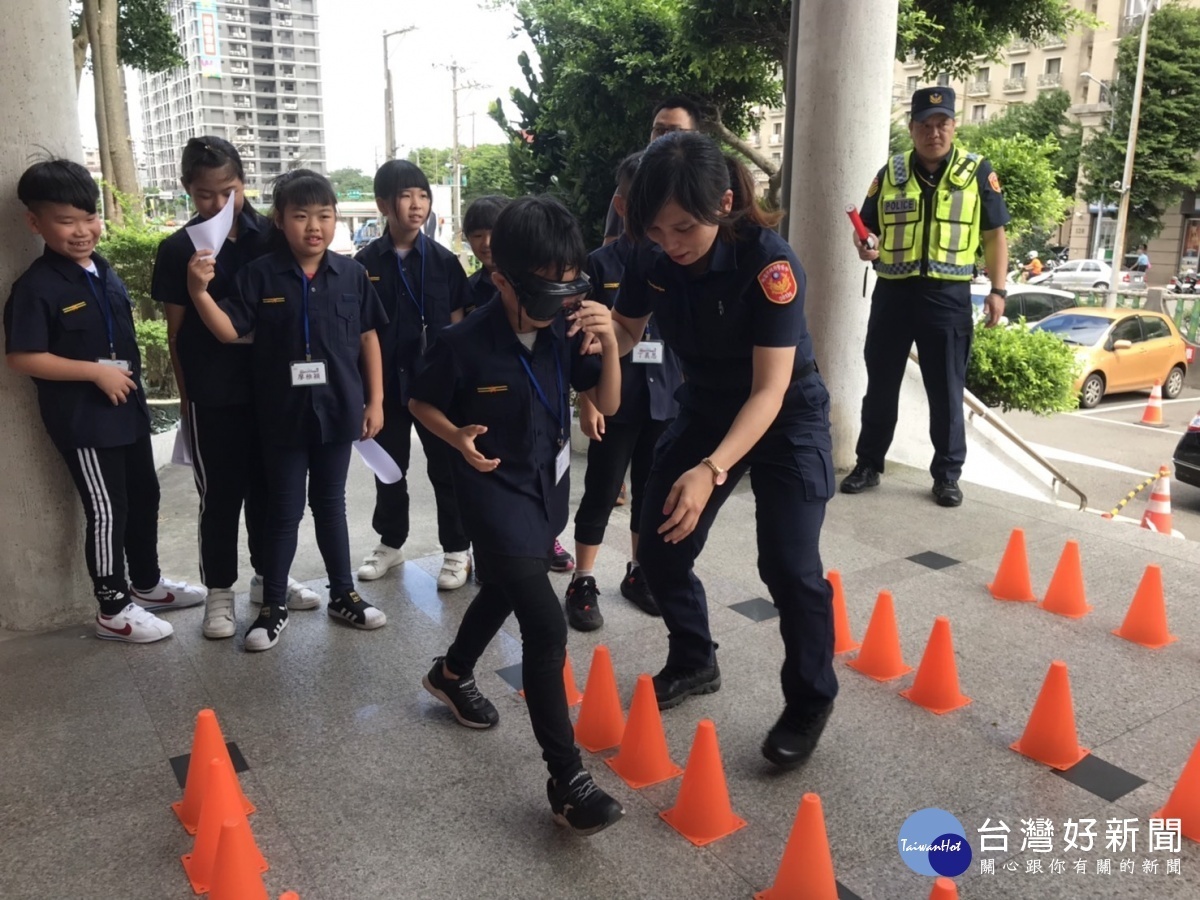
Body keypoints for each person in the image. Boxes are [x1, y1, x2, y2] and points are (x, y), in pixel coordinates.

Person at [603, 132, 837, 769]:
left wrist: (710, 470)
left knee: (790, 567)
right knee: (657, 546)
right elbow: (626, 329)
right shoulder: (651, 259)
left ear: (724, 202)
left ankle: (810, 699)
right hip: (705, 406)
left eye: (683, 228)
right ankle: (693, 657)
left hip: (785, 416)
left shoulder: (769, 263)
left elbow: (769, 389)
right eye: (656, 230)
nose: (670, 244)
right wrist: (601, 337)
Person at [408, 195, 625, 834]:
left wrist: (610, 344)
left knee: (505, 586)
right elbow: (421, 402)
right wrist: (455, 437)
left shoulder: (568, 324)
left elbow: (606, 400)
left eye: (569, 284)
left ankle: (450, 673)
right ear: (501, 278)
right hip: (491, 493)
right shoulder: (463, 341)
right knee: (543, 624)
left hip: (544, 486)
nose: (561, 300)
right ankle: (568, 780)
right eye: (545, 289)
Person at [4, 159, 206, 643]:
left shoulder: (104, 271)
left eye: (89, 217)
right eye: (65, 221)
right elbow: (22, 357)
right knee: (107, 508)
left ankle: (149, 584)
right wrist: (93, 373)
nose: (82, 231)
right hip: (85, 422)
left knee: (145, 496)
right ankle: (113, 609)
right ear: (36, 223)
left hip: (127, 412)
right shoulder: (36, 286)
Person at [187, 169, 388, 651]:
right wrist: (198, 292)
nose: (314, 226)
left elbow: (368, 337)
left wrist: (376, 400)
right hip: (280, 415)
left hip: (339, 410)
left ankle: (343, 594)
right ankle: (272, 605)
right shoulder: (260, 275)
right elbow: (228, 332)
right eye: (300, 216)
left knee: (331, 505)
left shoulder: (352, 274)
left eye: (324, 215)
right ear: (280, 220)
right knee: (283, 510)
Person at [152, 136, 320, 641]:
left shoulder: (269, 237)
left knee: (272, 494)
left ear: (243, 183)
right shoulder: (179, 248)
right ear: (188, 191)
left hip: (272, 391)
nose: (220, 204)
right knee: (221, 498)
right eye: (206, 195)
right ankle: (219, 595)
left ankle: (270, 581)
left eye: (230, 190)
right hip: (214, 394)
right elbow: (176, 333)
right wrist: (187, 399)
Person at [840, 87, 1010, 508]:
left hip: (947, 296)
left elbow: (995, 235)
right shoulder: (891, 172)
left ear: (953, 126)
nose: (934, 132)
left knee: (946, 391)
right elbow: (866, 228)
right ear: (912, 128)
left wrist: (999, 290)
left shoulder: (976, 172)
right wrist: (865, 246)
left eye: (942, 124)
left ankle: (947, 475)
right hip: (893, 294)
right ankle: (869, 463)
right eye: (925, 125)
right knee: (880, 385)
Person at [565, 151, 682, 632]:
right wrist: (588, 401)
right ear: (623, 203)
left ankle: (638, 573)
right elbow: (584, 340)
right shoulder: (601, 262)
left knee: (652, 494)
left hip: (667, 396)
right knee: (603, 489)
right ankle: (584, 578)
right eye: (643, 201)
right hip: (619, 398)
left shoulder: (679, 258)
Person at [354, 161, 473, 590]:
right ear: (384, 204)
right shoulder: (363, 265)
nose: (417, 204)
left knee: (446, 468)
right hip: (386, 388)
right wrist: (368, 397)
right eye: (406, 195)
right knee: (390, 470)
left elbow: (461, 326)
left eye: (423, 195)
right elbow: (359, 332)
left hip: (436, 389)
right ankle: (391, 542)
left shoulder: (444, 263)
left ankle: (458, 550)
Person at [601, 96, 701, 246]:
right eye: (659, 130)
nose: (665, 138)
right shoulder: (632, 184)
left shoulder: (707, 184)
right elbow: (610, 247)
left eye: (675, 131)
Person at [462, 194, 509, 316]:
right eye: (478, 235)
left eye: (494, 234)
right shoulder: (467, 289)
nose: (487, 243)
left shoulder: (534, 282)